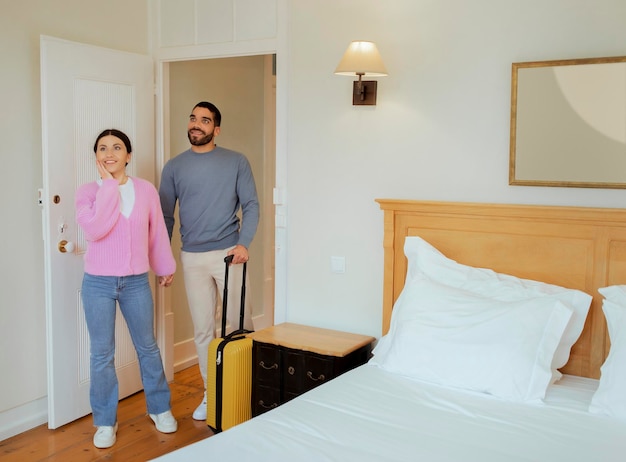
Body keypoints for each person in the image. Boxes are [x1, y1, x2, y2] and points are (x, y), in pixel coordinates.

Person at [75, 129, 178, 449]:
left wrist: (164, 266)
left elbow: (157, 230)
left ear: (128, 155)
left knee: (148, 347)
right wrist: (108, 186)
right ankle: (105, 421)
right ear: (96, 157)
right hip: (98, 283)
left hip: (135, 281)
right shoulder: (88, 192)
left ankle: (159, 408)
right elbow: (95, 230)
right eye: (103, 148)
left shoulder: (146, 190)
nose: (110, 153)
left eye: (117, 147)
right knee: (102, 354)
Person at [159, 101, 259, 421]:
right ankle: (212, 393)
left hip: (230, 253)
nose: (196, 124)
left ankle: (246, 389)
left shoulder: (235, 162)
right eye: (192, 118)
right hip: (192, 257)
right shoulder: (174, 167)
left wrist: (244, 244)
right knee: (203, 330)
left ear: (216, 129)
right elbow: (165, 217)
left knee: (238, 325)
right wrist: (164, 260)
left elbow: (252, 205)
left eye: (204, 120)